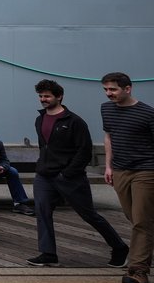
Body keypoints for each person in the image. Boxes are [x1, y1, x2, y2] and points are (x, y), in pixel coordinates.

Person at [27, 79, 128, 269]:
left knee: (89, 215)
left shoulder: (74, 121)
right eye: (40, 96)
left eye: (47, 96)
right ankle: (48, 254)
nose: (43, 99)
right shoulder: (39, 119)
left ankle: (120, 247)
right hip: (44, 176)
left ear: (59, 96)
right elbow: (44, 147)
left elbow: (84, 150)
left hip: (69, 177)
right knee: (42, 212)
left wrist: (68, 173)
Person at [101, 72, 154, 283]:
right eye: (105, 90)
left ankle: (138, 271)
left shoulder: (148, 114)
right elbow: (108, 137)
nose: (108, 94)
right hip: (120, 170)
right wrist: (108, 166)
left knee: (141, 221)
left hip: (146, 170)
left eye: (113, 89)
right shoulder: (106, 109)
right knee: (134, 218)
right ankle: (141, 257)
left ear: (128, 88)